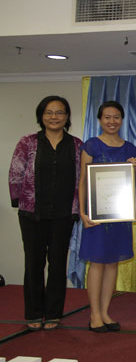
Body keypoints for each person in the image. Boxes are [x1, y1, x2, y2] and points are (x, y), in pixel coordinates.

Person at [9, 96, 83, 331]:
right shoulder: (27, 142)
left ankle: (53, 313)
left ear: (67, 117)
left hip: (64, 214)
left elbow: (83, 177)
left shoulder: (76, 145)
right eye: (49, 112)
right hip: (32, 214)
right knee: (33, 264)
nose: (54, 117)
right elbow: (16, 172)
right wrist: (19, 201)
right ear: (41, 116)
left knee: (58, 264)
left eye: (59, 112)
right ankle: (33, 312)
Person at [78, 101, 136, 332]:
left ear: (122, 120)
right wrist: (83, 212)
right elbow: (83, 181)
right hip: (96, 216)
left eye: (116, 117)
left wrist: (132, 170)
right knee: (97, 263)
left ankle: (105, 312)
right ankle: (94, 313)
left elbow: (129, 184)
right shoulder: (91, 146)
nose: (112, 121)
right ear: (100, 119)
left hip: (118, 214)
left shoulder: (130, 148)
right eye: (107, 117)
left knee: (112, 262)